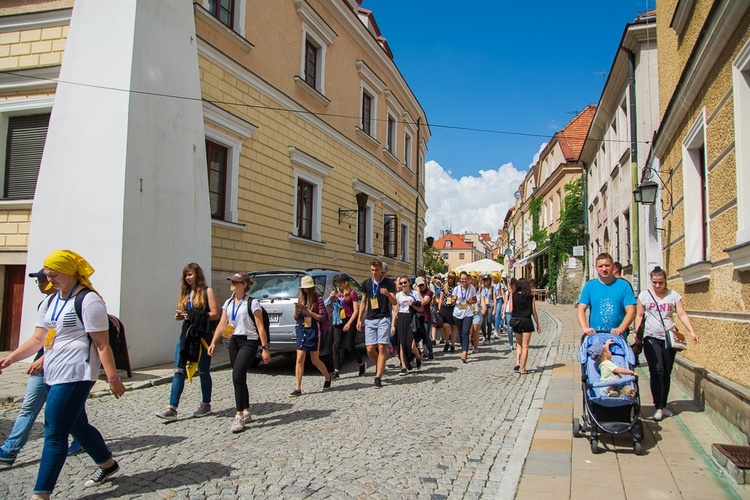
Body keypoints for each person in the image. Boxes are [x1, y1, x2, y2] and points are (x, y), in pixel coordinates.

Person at [0, 250, 126, 497]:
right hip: (52, 374)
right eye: (47, 275)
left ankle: (41, 493)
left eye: (54, 275)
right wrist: (11, 358)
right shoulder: (50, 301)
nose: (50, 279)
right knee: (77, 425)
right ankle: (107, 464)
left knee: (54, 432)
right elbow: (38, 339)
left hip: (76, 375)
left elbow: (102, 344)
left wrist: (113, 378)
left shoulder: (89, 301)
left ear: (70, 273)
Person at [0, 269, 57, 465]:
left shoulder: (73, 302)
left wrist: (45, 359)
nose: (41, 283)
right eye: (40, 280)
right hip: (42, 365)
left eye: (43, 279)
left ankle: (91, 447)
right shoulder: (45, 304)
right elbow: (38, 339)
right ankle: (9, 450)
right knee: (29, 408)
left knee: (68, 414)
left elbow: (72, 340)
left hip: (62, 366)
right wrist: (11, 359)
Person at [207, 273, 270, 433]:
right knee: (240, 378)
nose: (232, 284)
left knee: (237, 375)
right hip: (234, 341)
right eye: (231, 281)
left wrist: (264, 348)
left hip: (249, 341)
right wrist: (213, 342)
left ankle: (239, 414)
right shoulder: (228, 303)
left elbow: (260, 327)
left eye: (235, 282)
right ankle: (247, 410)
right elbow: (222, 324)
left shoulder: (253, 303)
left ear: (244, 284)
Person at [634, 266, 699, 421]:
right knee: (657, 371)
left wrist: (691, 331)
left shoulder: (673, 296)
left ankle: (663, 405)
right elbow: (639, 316)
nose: (657, 286)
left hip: (669, 338)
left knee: (667, 373)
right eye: (654, 282)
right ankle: (657, 406)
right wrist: (638, 335)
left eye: (660, 283)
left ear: (665, 282)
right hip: (651, 337)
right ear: (651, 281)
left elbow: (681, 314)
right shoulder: (644, 296)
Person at [156, 263, 220, 421]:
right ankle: (172, 407)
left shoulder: (207, 291)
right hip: (186, 334)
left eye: (190, 274)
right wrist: (179, 315)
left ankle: (206, 404)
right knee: (179, 370)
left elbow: (215, 314)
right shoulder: (185, 293)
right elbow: (183, 312)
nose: (187, 278)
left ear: (197, 275)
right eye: (186, 275)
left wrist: (194, 315)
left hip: (202, 336)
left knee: (203, 370)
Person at [357, 259, 397, 387]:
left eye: (376, 270)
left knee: (381, 347)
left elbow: (394, 302)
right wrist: (359, 318)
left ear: (381, 270)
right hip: (370, 319)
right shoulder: (366, 283)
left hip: (383, 318)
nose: (374, 272)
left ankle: (378, 376)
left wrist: (387, 295)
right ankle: (381, 365)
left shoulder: (388, 283)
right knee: (369, 348)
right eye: (372, 270)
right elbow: (363, 302)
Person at [577, 253, 636, 339]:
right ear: (596, 268)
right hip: (596, 335)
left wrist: (621, 328)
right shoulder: (589, 286)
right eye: (600, 266)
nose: (604, 269)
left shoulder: (623, 285)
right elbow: (581, 309)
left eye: (607, 265)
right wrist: (585, 327)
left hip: (618, 336)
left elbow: (631, 311)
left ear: (613, 267)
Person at [290, 275, 331, 396]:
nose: (306, 290)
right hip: (302, 329)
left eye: (308, 288)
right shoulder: (300, 298)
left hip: (314, 330)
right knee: (299, 358)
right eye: (304, 288)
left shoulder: (318, 299)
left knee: (315, 360)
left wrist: (308, 312)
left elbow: (323, 317)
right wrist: (297, 309)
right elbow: (296, 317)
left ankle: (327, 377)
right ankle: (298, 387)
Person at [327, 274, 365, 379]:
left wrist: (349, 323)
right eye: (338, 283)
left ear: (346, 283)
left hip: (349, 319)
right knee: (336, 345)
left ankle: (361, 363)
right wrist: (331, 299)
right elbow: (331, 310)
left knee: (350, 346)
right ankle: (336, 370)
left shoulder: (352, 293)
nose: (339, 284)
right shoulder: (338, 295)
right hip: (339, 320)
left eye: (341, 282)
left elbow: (355, 310)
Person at [392, 275, 423, 375]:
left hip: (412, 318)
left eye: (405, 282)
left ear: (409, 283)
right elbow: (396, 310)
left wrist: (412, 305)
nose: (403, 285)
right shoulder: (398, 295)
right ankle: (403, 366)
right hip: (401, 318)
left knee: (412, 345)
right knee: (401, 343)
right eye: (401, 283)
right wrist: (393, 324)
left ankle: (418, 357)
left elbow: (421, 309)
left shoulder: (415, 294)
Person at [508, 278, 541, 374]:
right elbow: (534, 312)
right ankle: (523, 368)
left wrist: (511, 295)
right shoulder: (530, 297)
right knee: (525, 346)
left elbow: (510, 310)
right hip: (526, 321)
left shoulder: (514, 295)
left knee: (519, 344)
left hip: (516, 321)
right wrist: (538, 324)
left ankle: (518, 363)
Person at [452, 271, 477, 364]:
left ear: (468, 279)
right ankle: (464, 347)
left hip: (468, 313)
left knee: (466, 332)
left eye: (465, 279)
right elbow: (452, 301)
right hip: (457, 313)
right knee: (461, 333)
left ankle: (464, 353)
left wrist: (470, 300)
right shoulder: (456, 289)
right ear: (459, 279)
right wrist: (454, 299)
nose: (464, 281)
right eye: (462, 279)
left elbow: (475, 300)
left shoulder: (472, 288)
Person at [415, 277, 435, 360]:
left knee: (426, 336)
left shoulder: (429, 292)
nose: (421, 286)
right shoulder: (414, 292)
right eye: (419, 285)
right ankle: (418, 353)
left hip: (426, 317)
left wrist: (418, 293)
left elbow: (423, 302)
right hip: (417, 317)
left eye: (422, 284)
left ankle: (430, 353)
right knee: (416, 336)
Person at [438, 272, 458, 352]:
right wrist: (439, 308)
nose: (450, 280)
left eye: (452, 278)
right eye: (449, 278)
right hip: (445, 307)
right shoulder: (444, 287)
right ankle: (447, 342)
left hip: (454, 307)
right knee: (445, 326)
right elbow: (441, 298)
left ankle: (452, 345)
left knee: (454, 327)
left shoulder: (457, 287)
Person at [491, 273, 506, 340]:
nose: (493, 279)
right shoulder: (490, 285)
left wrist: (505, 302)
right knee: (492, 317)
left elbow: (502, 294)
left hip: (499, 300)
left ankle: (496, 331)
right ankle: (497, 326)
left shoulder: (500, 285)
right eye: (492, 278)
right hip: (492, 300)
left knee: (497, 315)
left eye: (495, 278)